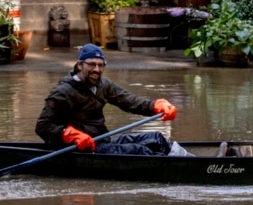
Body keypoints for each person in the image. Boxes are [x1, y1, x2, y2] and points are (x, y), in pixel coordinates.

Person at [35, 43, 192, 156]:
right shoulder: (63, 92)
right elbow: (43, 126)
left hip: (103, 141)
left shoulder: (104, 85)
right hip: (80, 148)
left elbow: (131, 102)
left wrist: (156, 106)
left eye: (100, 65)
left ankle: (191, 161)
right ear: (80, 65)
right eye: (92, 65)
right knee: (143, 152)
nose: (97, 70)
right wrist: (69, 134)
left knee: (157, 139)